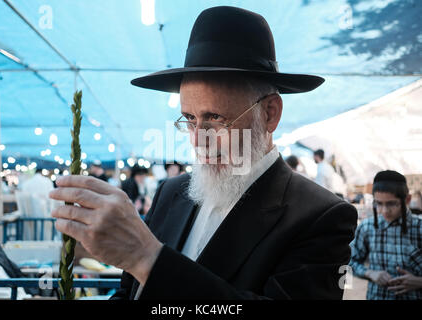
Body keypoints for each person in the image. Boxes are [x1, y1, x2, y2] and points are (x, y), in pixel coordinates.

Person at [49, 6, 357, 300]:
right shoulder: (172, 193)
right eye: (190, 119)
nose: (199, 141)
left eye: (215, 119)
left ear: (270, 114)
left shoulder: (320, 216)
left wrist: (148, 258)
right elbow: (130, 294)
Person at [349, 170, 422, 299]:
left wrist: (419, 282)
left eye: (391, 203)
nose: (384, 211)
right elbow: (349, 260)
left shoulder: (419, 227)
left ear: (407, 199)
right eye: (378, 204)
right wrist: (369, 273)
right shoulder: (367, 228)